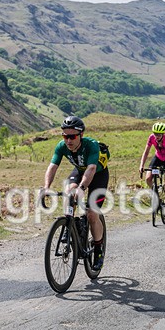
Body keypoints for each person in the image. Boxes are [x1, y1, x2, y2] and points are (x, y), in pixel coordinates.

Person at [42, 116, 109, 271]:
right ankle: (69, 224)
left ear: (81, 135)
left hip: (98, 174)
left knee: (92, 214)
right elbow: (52, 166)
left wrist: (82, 188)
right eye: (65, 136)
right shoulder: (62, 146)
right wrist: (46, 187)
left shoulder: (91, 145)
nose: (68, 140)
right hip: (80, 171)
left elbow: (91, 169)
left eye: (72, 136)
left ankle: (98, 250)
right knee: (68, 191)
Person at [139, 122, 165, 219]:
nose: (156, 136)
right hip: (158, 158)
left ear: (163, 134)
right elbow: (146, 152)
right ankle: (156, 193)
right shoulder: (151, 137)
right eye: (155, 133)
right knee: (148, 179)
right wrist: (141, 165)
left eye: (159, 134)